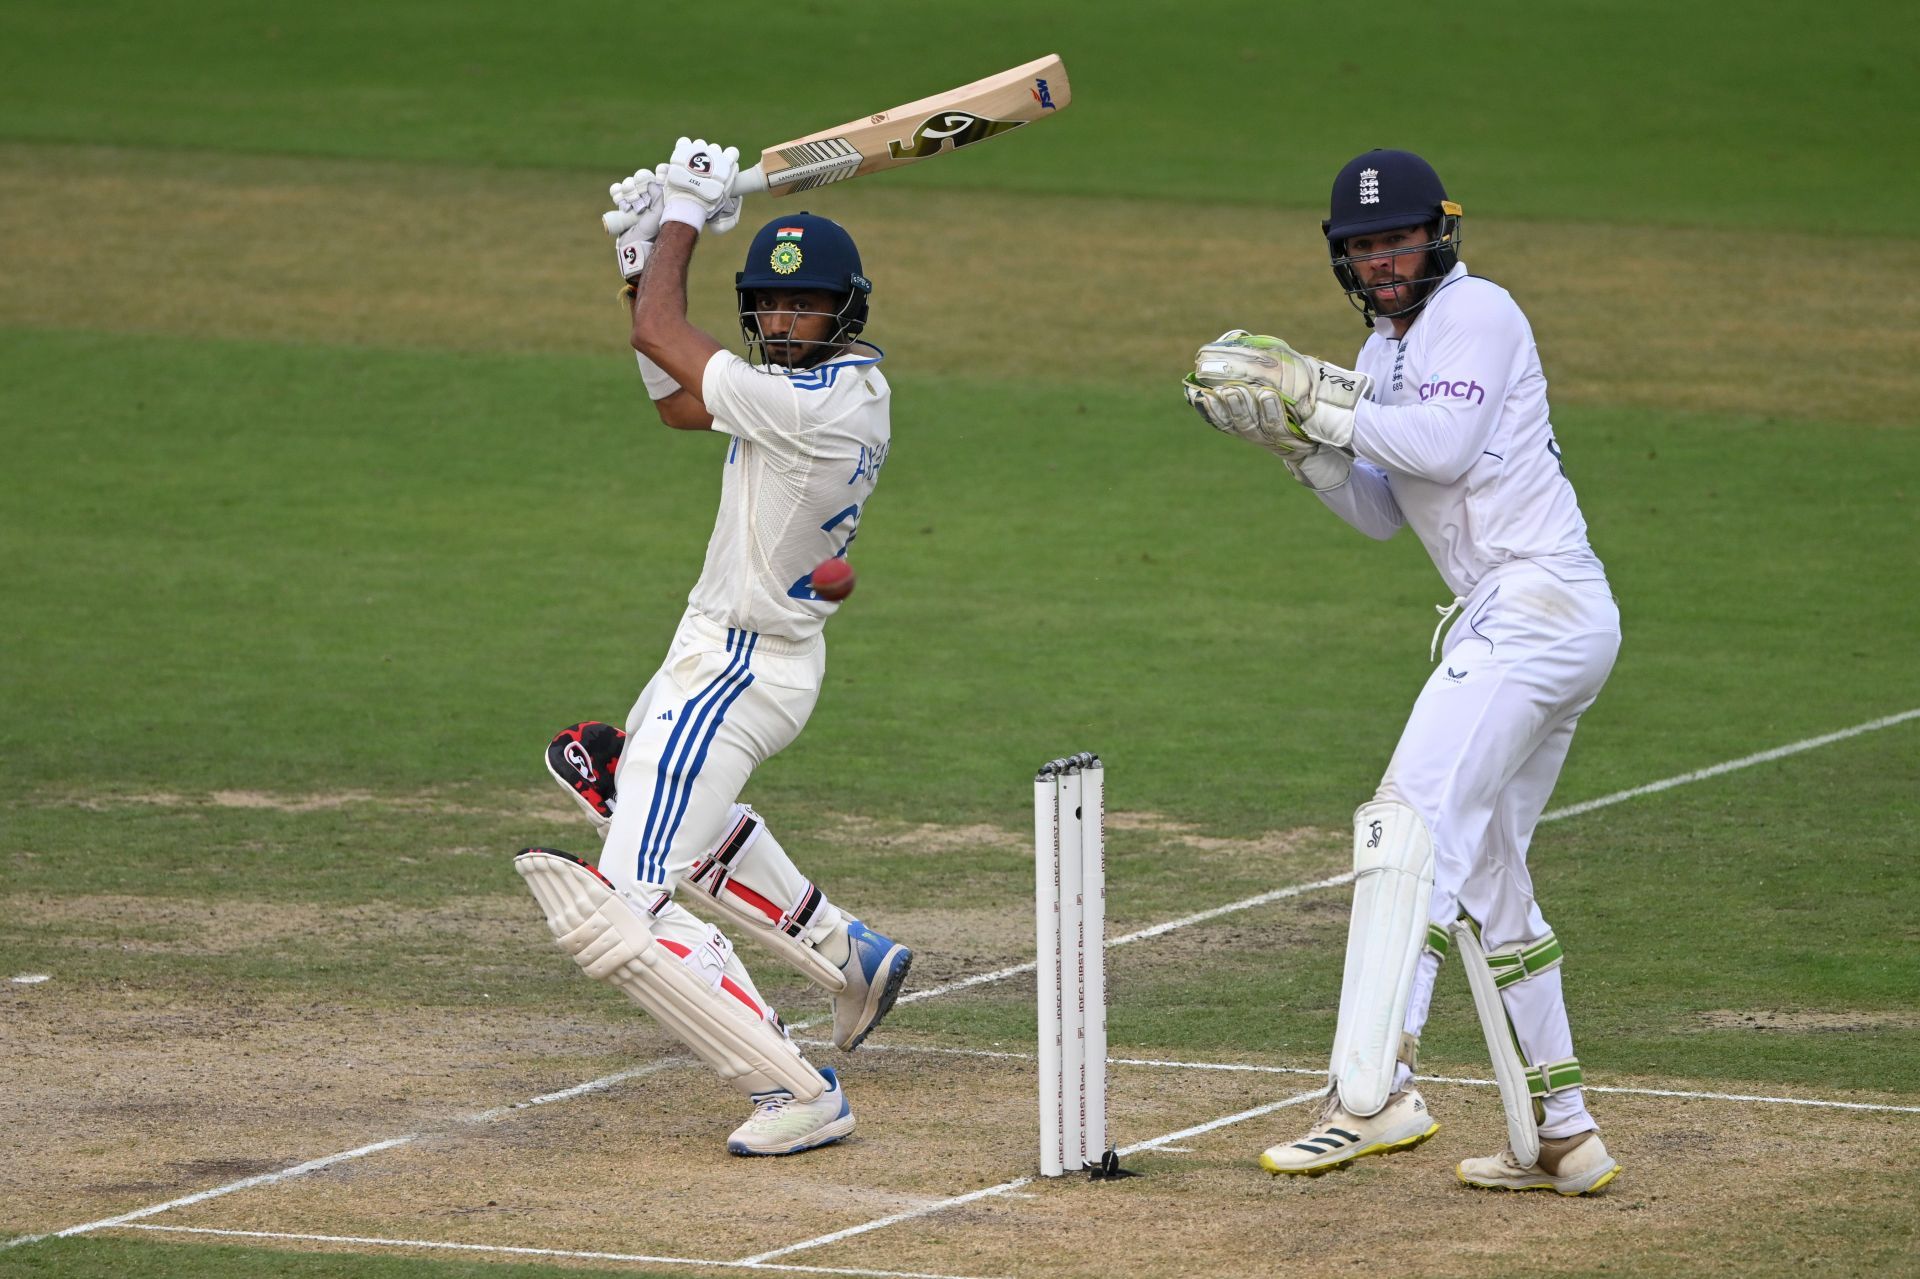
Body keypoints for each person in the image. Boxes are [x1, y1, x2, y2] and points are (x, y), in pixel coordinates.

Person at [1181, 148, 1622, 1195]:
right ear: (1344, 258)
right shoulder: (1379, 355)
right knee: (1494, 879)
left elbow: (1445, 443)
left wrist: (1315, 396)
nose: (1384, 262)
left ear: (1440, 235)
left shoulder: (1480, 313)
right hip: (1517, 618)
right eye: (1364, 247)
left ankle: (1373, 1092)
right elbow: (1383, 505)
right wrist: (1292, 441)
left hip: (1537, 607)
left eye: (1400, 239)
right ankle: (1563, 1131)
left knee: (1408, 826)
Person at [516, 138, 910, 1158]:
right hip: (719, 652)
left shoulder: (809, 408)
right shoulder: (817, 386)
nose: (782, 322)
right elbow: (674, 400)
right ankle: (847, 954)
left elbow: (662, 327)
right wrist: (643, 252)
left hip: (737, 670)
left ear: (846, 310)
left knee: (621, 913)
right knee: (628, 798)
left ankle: (793, 1088)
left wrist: (677, 226)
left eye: (804, 306)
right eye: (769, 307)